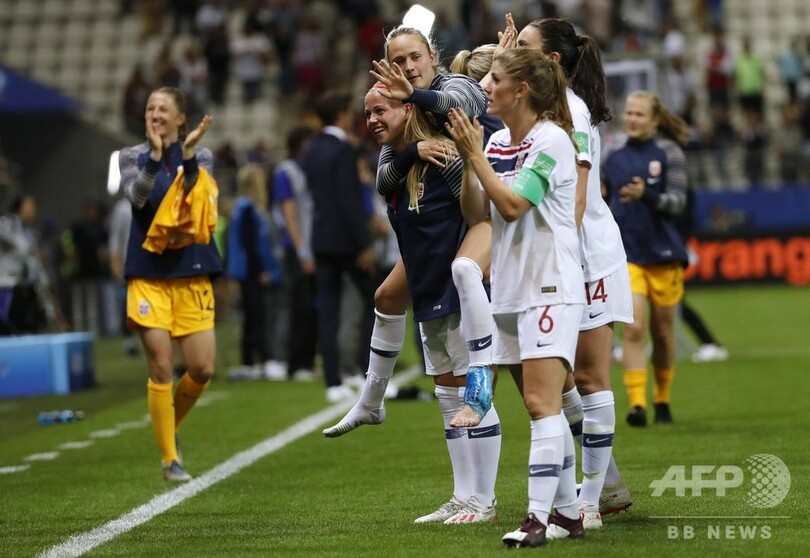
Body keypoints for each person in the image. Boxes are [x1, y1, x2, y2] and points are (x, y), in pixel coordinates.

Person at [324, 25, 505, 436]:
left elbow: (465, 105)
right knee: (388, 297)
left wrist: (412, 98)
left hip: (494, 212)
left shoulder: (450, 89)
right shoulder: (404, 134)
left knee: (465, 276)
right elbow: (384, 180)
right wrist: (412, 151)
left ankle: (482, 368)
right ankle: (372, 400)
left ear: (432, 57)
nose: (407, 67)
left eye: (414, 57)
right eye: (398, 61)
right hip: (440, 233)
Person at [446, 48, 584, 548]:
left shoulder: (552, 141)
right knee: (539, 405)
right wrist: (471, 158)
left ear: (520, 90)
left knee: (541, 402)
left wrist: (476, 156)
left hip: (550, 285)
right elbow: (477, 213)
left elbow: (513, 205)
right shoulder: (498, 141)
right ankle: (569, 513)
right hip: (509, 288)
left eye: (495, 79)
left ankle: (536, 519)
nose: (485, 87)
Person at [359, 84, 501, 524]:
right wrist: (411, 151)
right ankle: (462, 496)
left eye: (380, 110)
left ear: (407, 108)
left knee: (472, 393)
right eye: (367, 113)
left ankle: (484, 501)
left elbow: (478, 214)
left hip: (457, 291)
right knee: (446, 393)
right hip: (428, 291)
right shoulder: (396, 162)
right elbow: (384, 185)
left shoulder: (444, 153)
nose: (372, 120)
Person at [514, 17, 635, 529]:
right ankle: (605, 485)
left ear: (553, 60)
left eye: (523, 45)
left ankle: (588, 501)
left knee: (585, 377)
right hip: (556, 256)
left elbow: (580, 197)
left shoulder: (572, 110)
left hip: (585, 255)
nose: (512, 49)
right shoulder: (537, 107)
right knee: (553, 381)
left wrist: (563, 254)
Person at [118, 86, 218, 481]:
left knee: (202, 368)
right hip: (148, 273)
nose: (154, 115)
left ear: (180, 118)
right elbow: (139, 199)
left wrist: (186, 154)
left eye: (162, 109)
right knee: (161, 366)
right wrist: (157, 157)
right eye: (150, 108)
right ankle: (170, 458)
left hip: (191, 269)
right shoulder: (131, 156)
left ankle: (168, 427)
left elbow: (194, 201)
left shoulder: (201, 154)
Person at [601, 91, 689, 428]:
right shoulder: (611, 154)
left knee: (663, 332)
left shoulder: (669, 152)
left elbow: (677, 203)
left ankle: (662, 398)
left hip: (664, 252)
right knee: (635, 327)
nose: (632, 119)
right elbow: (597, 196)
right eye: (629, 113)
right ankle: (637, 403)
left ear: (654, 119)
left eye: (639, 114)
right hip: (626, 253)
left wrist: (646, 195)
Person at [302, 90, 377, 403]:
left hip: (321, 239)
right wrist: (364, 243)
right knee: (376, 303)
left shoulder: (310, 150)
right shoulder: (345, 150)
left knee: (328, 312)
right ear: (341, 115)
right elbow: (349, 200)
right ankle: (368, 373)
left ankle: (333, 381)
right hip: (347, 241)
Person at [226, 163, 285, 380]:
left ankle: (250, 361)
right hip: (252, 272)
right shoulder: (248, 209)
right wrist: (262, 270)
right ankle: (265, 360)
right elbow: (251, 245)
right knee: (258, 316)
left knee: (252, 317)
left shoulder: (241, 208)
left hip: (246, 271)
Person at [272, 125, 318, 381]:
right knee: (298, 305)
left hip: (312, 246)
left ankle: (308, 360)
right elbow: (289, 214)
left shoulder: (310, 170)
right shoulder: (285, 172)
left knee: (312, 308)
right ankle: (295, 362)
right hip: (296, 249)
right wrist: (302, 251)